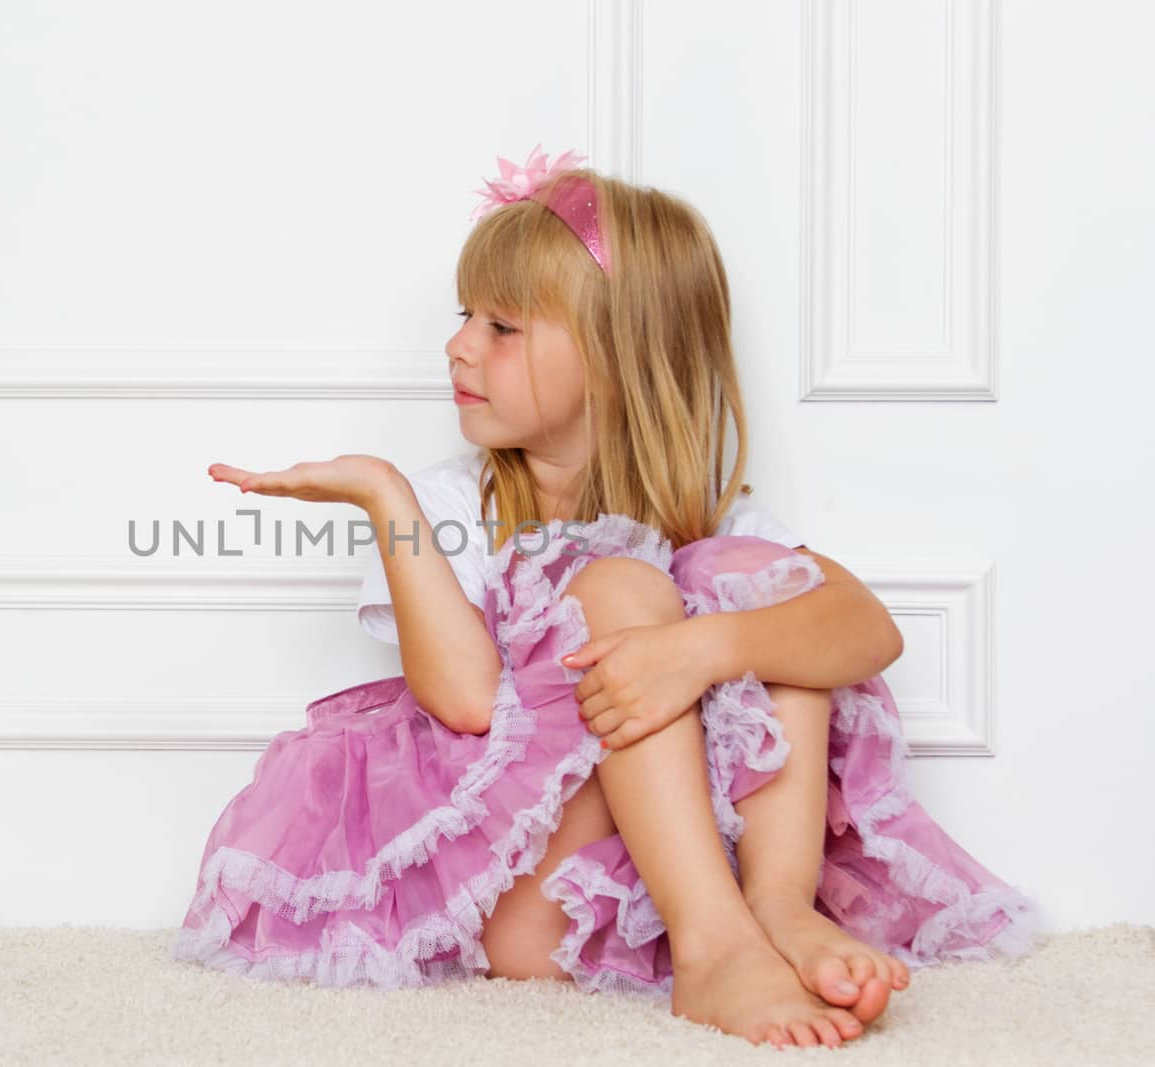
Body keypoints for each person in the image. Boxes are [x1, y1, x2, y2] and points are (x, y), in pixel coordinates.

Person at [172, 147, 1040, 1049]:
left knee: (765, 594)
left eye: (502, 326)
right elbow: (465, 700)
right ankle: (714, 949)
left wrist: (701, 649)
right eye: (465, 315)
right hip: (520, 898)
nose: (459, 344)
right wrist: (384, 494)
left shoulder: (710, 518)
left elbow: (866, 629)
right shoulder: (446, 506)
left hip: (643, 896)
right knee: (627, 585)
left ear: (617, 357)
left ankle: (774, 911)